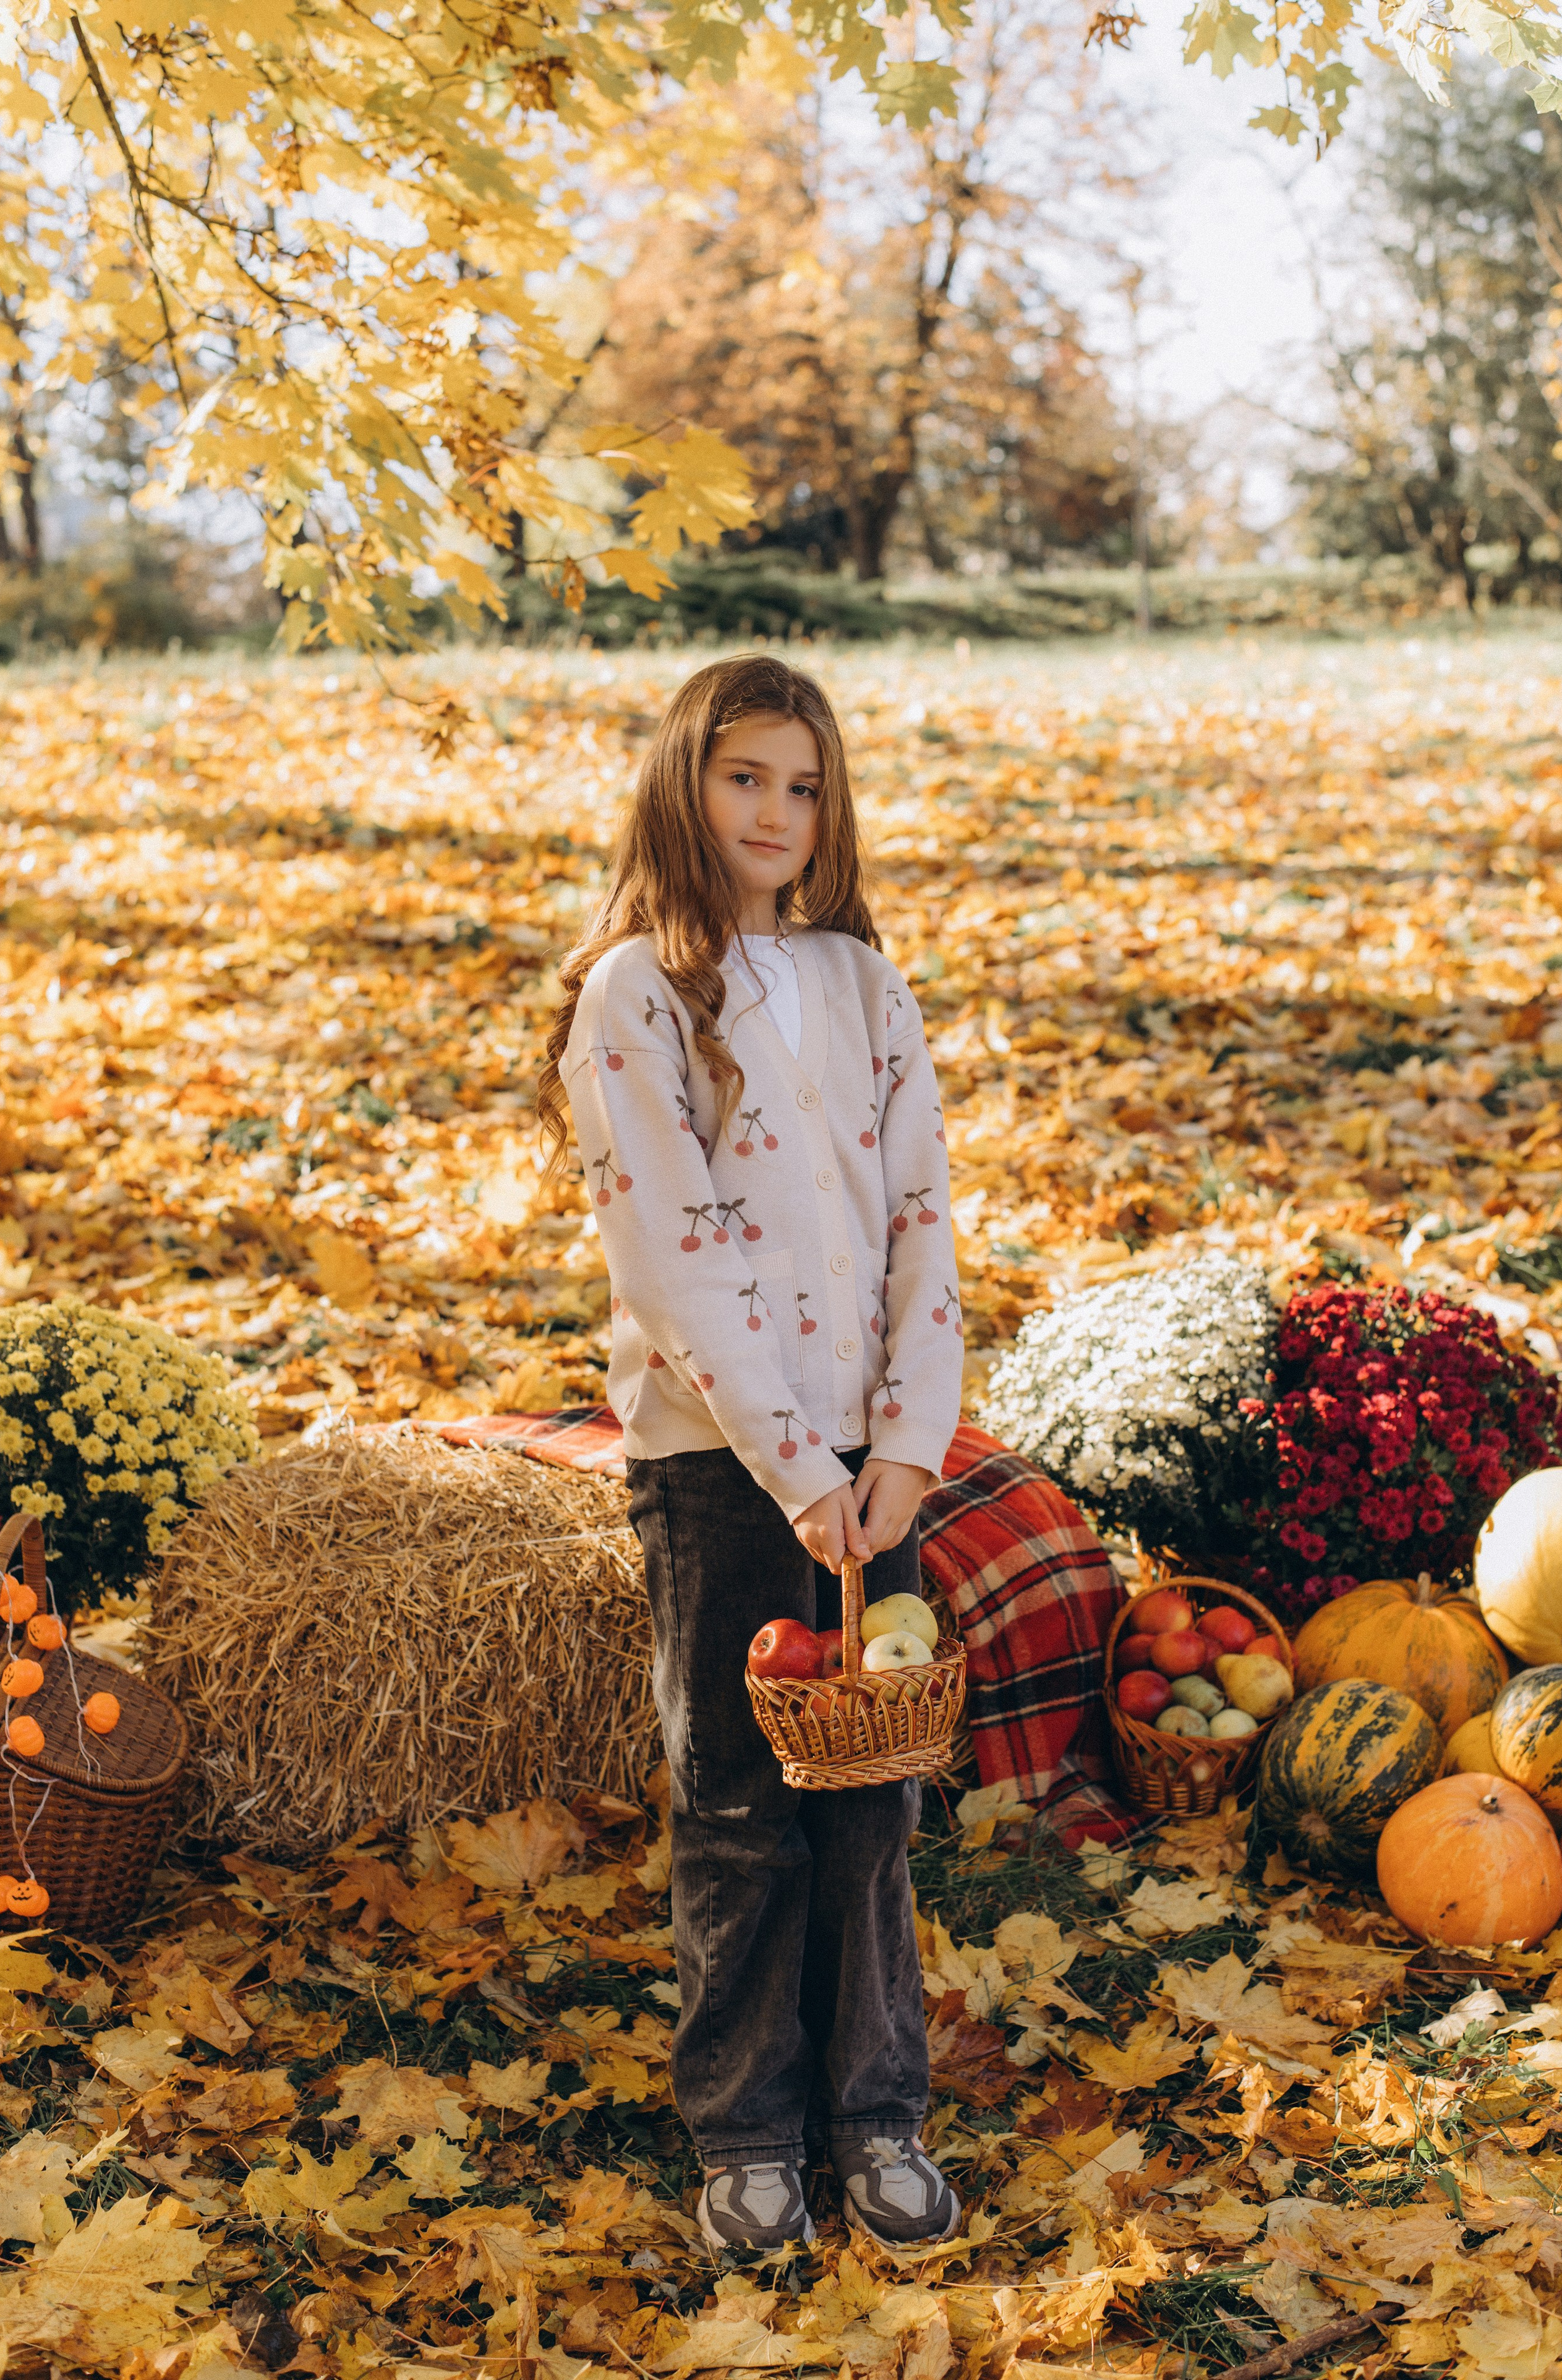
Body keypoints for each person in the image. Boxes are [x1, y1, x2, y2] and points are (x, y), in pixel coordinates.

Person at [537, 654, 963, 2254]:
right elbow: (676, 1260)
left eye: (804, 785)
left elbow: (922, 1221)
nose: (776, 812)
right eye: (744, 778)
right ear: (685, 784)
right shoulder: (636, 995)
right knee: (736, 1799)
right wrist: (801, 1469)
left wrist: (905, 1446)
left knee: (872, 1797)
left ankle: (876, 2111)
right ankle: (748, 2131)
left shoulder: (863, 982)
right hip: (722, 1461)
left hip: (873, 1457)